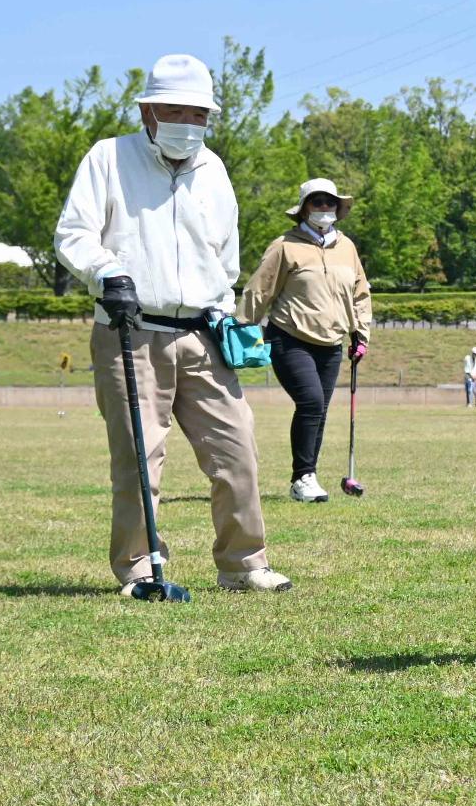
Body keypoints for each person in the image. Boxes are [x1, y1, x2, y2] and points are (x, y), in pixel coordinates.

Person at [54, 53, 287, 594]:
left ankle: (244, 565)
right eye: (176, 111)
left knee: (238, 451)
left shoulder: (215, 169)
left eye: (198, 114)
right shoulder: (108, 159)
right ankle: (139, 570)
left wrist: (224, 311)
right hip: (130, 333)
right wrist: (107, 271)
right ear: (148, 112)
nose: (189, 125)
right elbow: (74, 233)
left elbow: (225, 255)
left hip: (204, 333)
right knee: (140, 459)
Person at [236, 178, 372, 502]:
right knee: (311, 402)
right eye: (317, 202)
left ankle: (307, 476)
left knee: (319, 409)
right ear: (304, 209)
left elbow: (360, 293)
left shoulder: (347, 247)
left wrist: (360, 333)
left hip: (331, 343)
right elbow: (260, 288)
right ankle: (303, 478)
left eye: (330, 202)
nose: (324, 208)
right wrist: (240, 329)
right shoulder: (285, 245)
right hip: (289, 337)